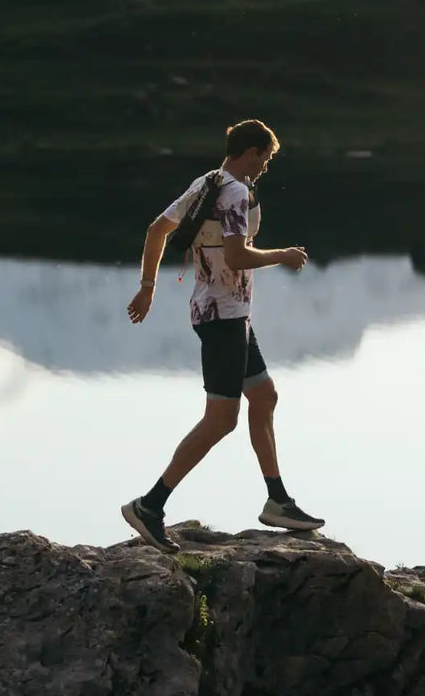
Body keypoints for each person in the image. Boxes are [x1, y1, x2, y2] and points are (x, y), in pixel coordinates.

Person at [121, 118, 325, 551]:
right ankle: (150, 505)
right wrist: (283, 256)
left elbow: (157, 229)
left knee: (264, 396)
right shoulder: (233, 191)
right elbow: (236, 254)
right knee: (221, 420)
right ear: (250, 152)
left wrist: (147, 287)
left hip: (225, 314)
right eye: (265, 159)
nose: (265, 168)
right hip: (224, 319)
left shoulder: (207, 182)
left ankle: (278, 501)